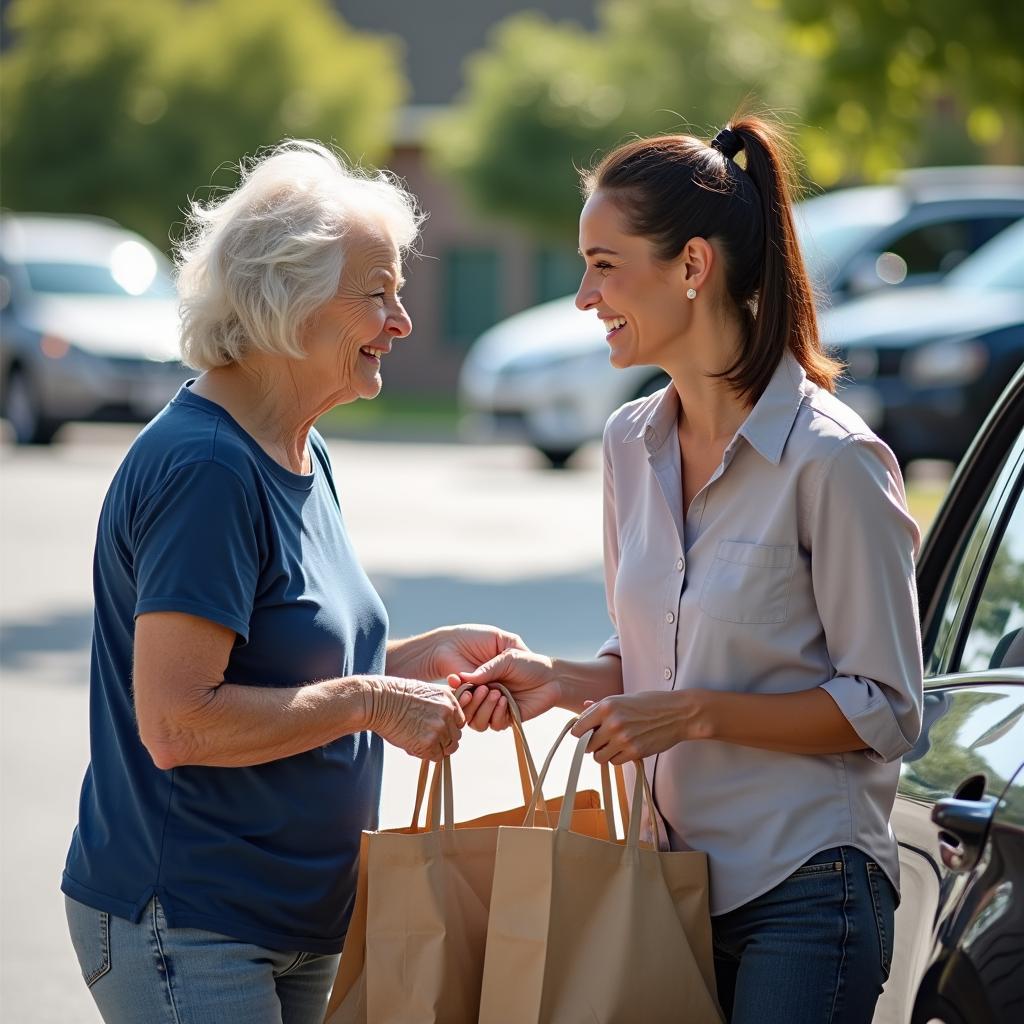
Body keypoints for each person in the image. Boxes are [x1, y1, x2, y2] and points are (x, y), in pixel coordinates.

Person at [455, 115, 924, 1023]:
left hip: (807, 889)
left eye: (604, 263)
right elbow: (662, 660)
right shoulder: (629, 444)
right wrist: (557, 681)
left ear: (693, 267)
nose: (586, 297)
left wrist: (695, 716)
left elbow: (888, 707)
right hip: (663, 886)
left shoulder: (834, 461)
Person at [61, 141, 523, 1024]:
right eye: (378, 294)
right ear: (286, 299)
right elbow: (179, 719)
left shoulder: (298, 448)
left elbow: (275, 651)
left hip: (295, 922)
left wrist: (413, 662)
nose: (403, 321)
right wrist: (372, 700)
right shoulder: (207, 468)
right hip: (192, 924)